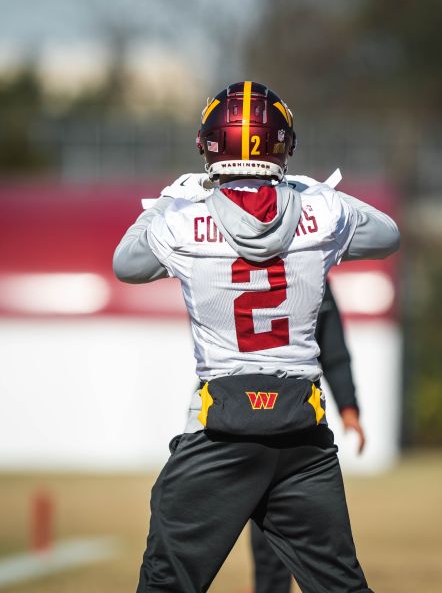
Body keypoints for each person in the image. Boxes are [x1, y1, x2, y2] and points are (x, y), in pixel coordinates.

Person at [113, 81, 399, 593]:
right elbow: (387, 233)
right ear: (283, 143)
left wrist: (165, 203)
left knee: (166, 583)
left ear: (208, 143)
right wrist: (314, 195)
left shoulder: (182, 220)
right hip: (301, 437)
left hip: (221, 431)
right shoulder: (325, 215)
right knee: (341, 586)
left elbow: (126, 264)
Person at [249, 282, 364, 593]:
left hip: (295, 423)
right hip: (237, 424)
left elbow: (334, 350)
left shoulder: (313, 270)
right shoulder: (226, 257)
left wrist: (348, 407)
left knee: (311, 537)